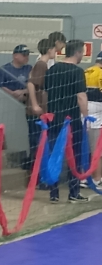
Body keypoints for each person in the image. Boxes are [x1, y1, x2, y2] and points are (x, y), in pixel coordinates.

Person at [44, 39, 89, 204]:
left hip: (54, 118)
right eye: (82, 52)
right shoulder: (77, 72)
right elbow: (81, 96)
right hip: (72, 119)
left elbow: (46, 93)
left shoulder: (52, 70)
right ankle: (73, 192)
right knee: (75, 156)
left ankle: (54, 193)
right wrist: (86, 117)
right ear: (77, 52)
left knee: (54, 155)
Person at [26, 38, 54, 179]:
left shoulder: (43, 65)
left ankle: (38, 175)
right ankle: (36, 177)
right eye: (55, 49)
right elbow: (31, 84)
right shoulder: (41, 65)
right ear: (50, 50)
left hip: (40, 110)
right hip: (36, 112)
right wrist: (35, 104)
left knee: (40, 143)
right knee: (37, 144)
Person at [83, 51, 102, 185]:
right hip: (97, 112)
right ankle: (97, 179)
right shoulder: (101, 73)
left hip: (84, 110)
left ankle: (84, 177)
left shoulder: (86, 71)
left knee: (86, 147)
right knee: (97, 149)